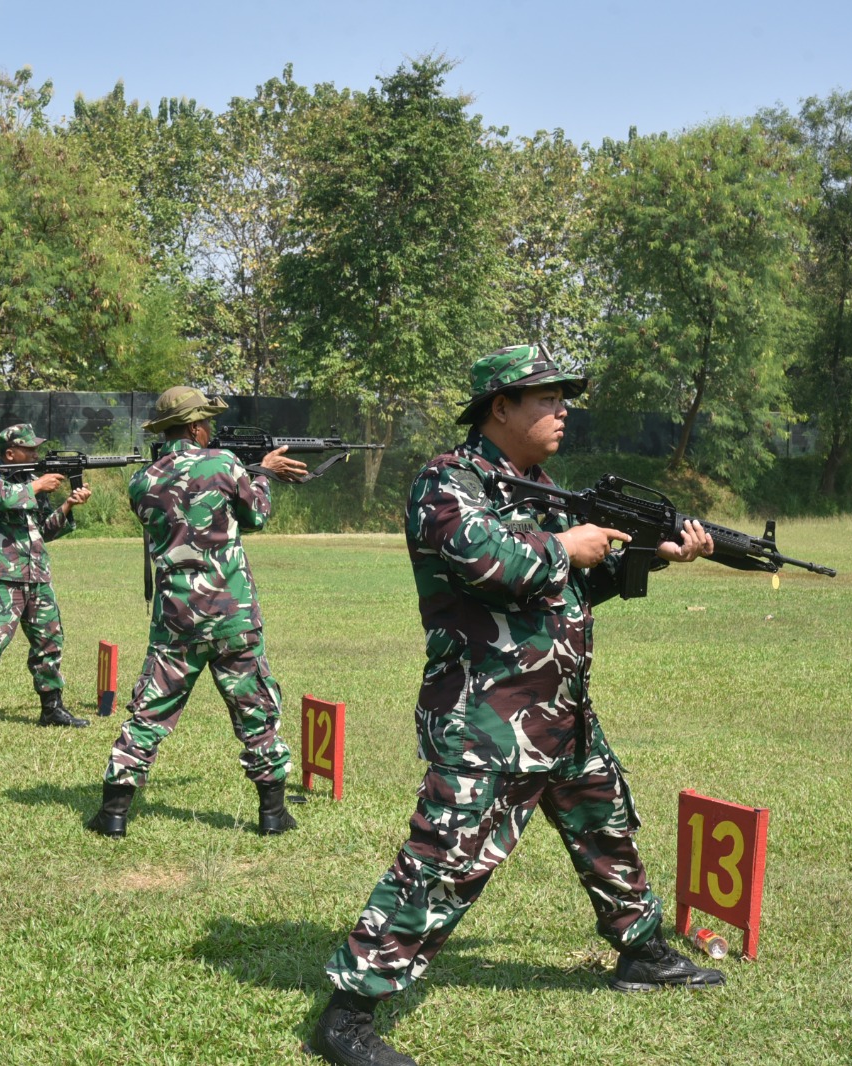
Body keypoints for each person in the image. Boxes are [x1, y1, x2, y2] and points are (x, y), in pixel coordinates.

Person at [308, 346, 724, 1066]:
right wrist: (568, 545)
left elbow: (566, 589)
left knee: (607, 822)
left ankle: (643, 952)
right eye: (546, 398)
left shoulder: (541, 490)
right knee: (443, 860)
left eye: (564, 398)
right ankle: (348, 1014)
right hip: (486, 717)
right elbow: (489, 563)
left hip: (557, 712)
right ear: (500, 407)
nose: (562, 410)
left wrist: (650, 556)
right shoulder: (448, 482)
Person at [87, 386, 307, 840]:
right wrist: (261, 475)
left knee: (149, 712)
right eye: (205, 423)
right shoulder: (226, 463)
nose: (210, 429)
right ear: (193, 427)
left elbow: (178, 509)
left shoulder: (141, 481)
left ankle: (113, 814)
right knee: (255, 711)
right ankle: (272, 814)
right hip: (231, 615)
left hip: (175, 618)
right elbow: (256, 516)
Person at [0, 424, 92, 737]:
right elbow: (1, 498)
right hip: (3, 577)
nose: (36, 454)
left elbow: (44, 530)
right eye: (29, 450)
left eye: (36, 448)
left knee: (49, 643)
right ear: (10, 452)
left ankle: (52, 708)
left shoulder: (32, 481)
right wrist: (39, 486)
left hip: (38, 575)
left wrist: (68, 504)